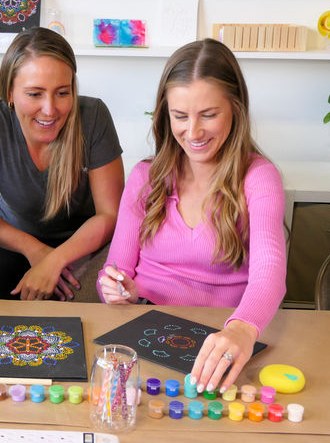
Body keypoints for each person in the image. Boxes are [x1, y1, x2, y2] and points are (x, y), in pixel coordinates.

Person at [97, 39, 286, 394]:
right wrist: (117, 288)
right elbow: (113, 272)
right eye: (180, 116)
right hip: (145, 330)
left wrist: (242, 328)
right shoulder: (144, 176)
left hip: (224, 337)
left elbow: (270, 269)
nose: (194, 132)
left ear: (236, 108)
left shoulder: (259, 177)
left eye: (209, 115)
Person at [0, 27, 124, 302]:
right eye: (35, 94)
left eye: (62, 93)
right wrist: (34, 250)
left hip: (83, 247)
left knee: (78, 313)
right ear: (9, 92)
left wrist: (56, 260)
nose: (50, 109)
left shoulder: (93, 117)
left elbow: (109, 214)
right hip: (10, 240)